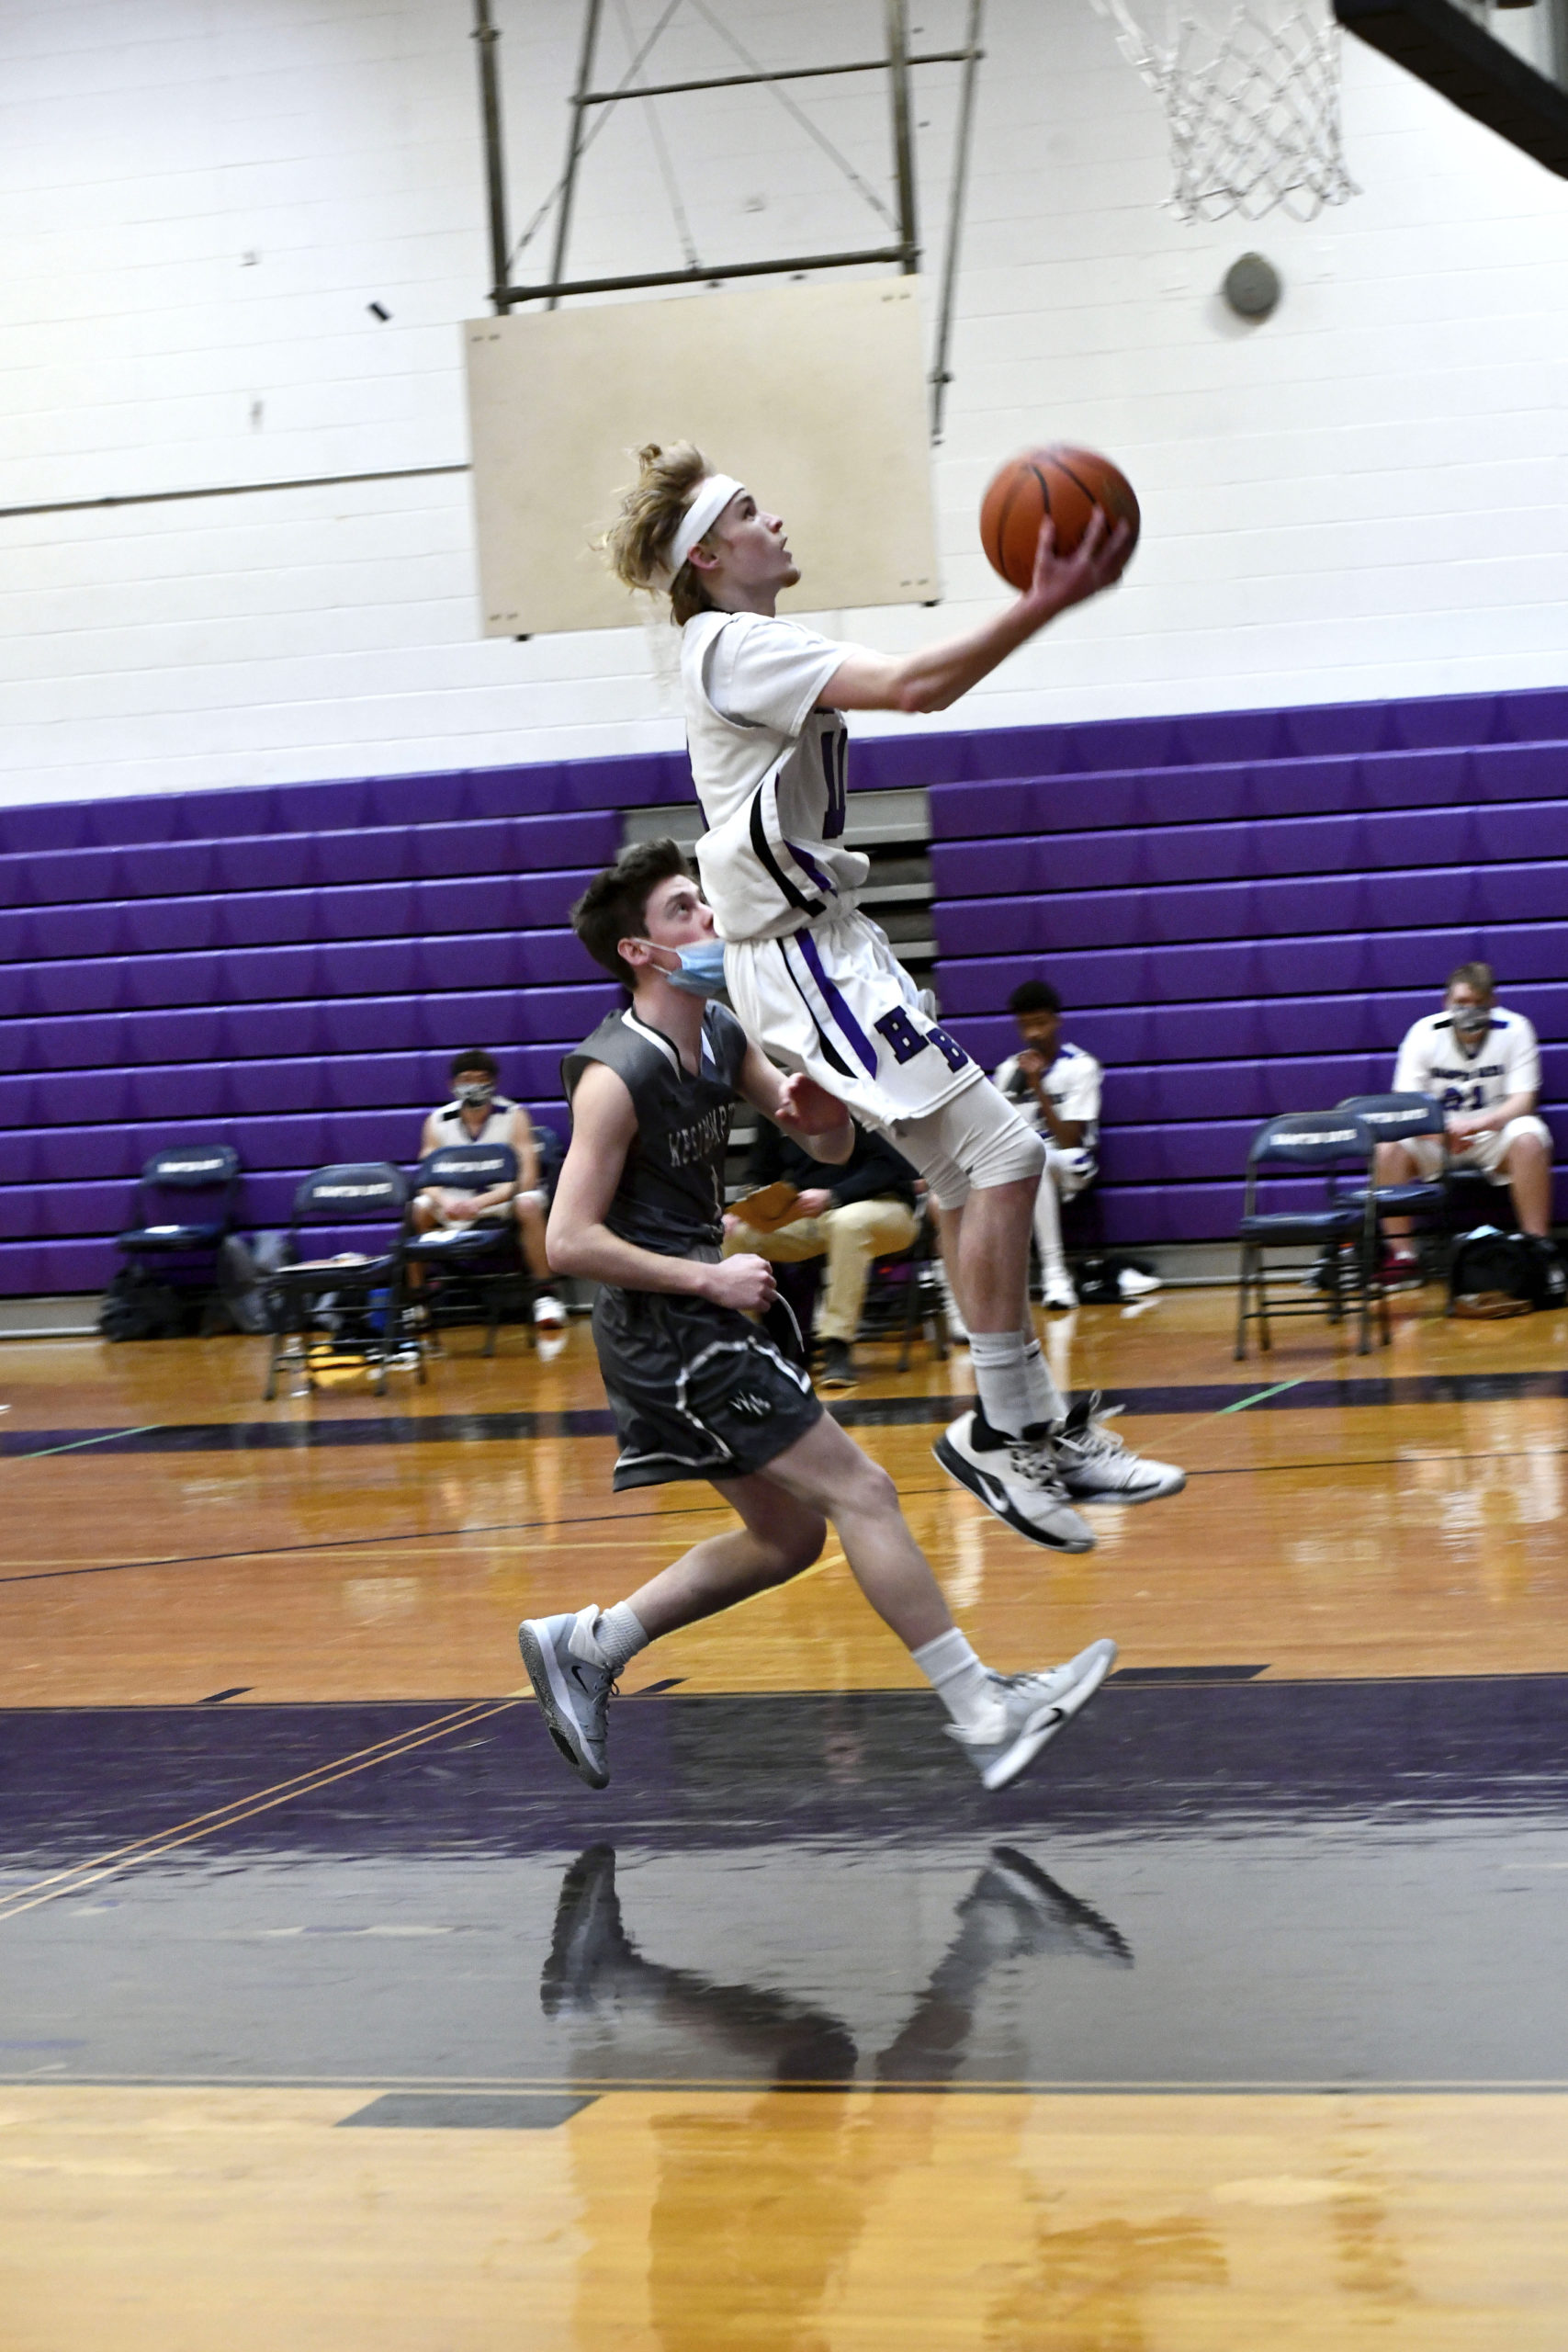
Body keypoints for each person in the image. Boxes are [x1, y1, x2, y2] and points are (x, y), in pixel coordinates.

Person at [603, 445, 1184, 1550]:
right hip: (806, 951)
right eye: (751, 510)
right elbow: (919, 687)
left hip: (822, 944)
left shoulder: (736, 643)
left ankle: (1018, 1423)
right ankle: (1007, 1429)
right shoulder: (733, 641)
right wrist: (1045, 598)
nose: (777, 519)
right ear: (714, 554)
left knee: (969, 1171)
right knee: (1009, 1156)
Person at [516, 840, 1118, 1794]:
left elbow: (829, 1146)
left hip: (694, 1317)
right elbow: (568, 1241)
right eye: (685, 910)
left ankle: (588, 1647)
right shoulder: (612, 1073)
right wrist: (708, 1279)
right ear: (640, 949)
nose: (711, 918)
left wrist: (818, 1103)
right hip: (666, 1331)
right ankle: (982, 1713)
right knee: (865, 1492)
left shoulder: (721, 1030)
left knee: (789, 1538)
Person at [1378, 962, 1556, 1284]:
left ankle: (1536, 1249)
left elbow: (1523, 1101)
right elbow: (1405, 1106)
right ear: (1446, 1003)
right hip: (1436, 1138)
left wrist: (1483, 1124)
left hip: (1493, 1133)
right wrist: (1440, 1136)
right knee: (1388, 1147)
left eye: (1478, 1004)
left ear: (1493, 1003)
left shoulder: (1516, 1029)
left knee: (1530, 1137)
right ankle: (1403, 1257)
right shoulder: (1423, 1033)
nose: (1469, 1011)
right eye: (1462, 1004)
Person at [993, 978, 1159, 1311]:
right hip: (1026, 1164)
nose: (1033, 1034)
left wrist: (1037, 1086)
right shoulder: (1008, 1070)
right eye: (1025, 1026)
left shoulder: (1081, 1066)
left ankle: (1055, 1276)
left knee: (1036, 1161)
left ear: (1056, 1020)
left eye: (1040, 1023)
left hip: (1073, 1164)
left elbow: (1071, 1138)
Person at [724, 1114, 919, 1388]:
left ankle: (837, 1344)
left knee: (847, 1223)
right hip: (815, 1213)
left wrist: (835, 1195)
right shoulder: (776, 1103)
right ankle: (744, 1344)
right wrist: (745, 1209)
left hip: (888, 1207)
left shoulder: (858, 1091)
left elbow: (893, 1167)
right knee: (738, 1234)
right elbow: (760, 1171)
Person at [413, 1048, 566, 1328]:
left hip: (502, 1200)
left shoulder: (514, 1114)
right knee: (419, 1208)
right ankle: (417, 1301)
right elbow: (426, 1179)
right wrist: (446, 1202)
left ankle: (546, 1295)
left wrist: (481, 1203)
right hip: (455, 1203)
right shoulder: (436, 1121)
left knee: (529, 1203)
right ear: (453, 1085)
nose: (474, 1085)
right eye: (466, 1079)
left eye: (481, 1079)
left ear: (493, 1084)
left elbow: (527, 1177)